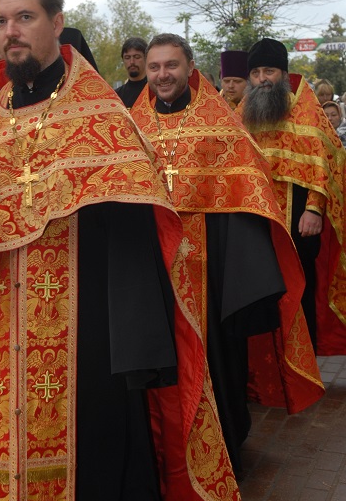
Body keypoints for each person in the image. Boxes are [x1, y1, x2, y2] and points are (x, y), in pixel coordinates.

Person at [0, 0, 253, 501]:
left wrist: (135, 344)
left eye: (24, 18)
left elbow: (133, 225)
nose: (10, 32)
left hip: (82, 332)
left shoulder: (98, 111)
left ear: (55, 23)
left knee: (88, 463)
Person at [130, 33, 323, 475]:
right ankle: (163, 450)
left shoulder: (220, 121)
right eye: (155, 67)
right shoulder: (133, 123)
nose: (162, 74)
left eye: (171, 65)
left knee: (217, 360)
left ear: (189, 67)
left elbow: (247, 186)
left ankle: (223, 446)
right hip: (152, 266)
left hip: (209, 266)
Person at [241, 37, 346, 354]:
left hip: (299, 218)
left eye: (269, 71)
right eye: (256, 72)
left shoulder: (307, 109)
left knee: (300, 286)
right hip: (256, 218)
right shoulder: (244, 111)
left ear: (283, 74)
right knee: (260, 290)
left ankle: (305, 356)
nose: (262, 78)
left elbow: (328, 161)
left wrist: (314, 209)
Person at [115, 36, 147, 107]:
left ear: (146, 58)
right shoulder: (116, 97)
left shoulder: (156, 92)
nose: (132, 62)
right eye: (127, 58)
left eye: (137, 57)